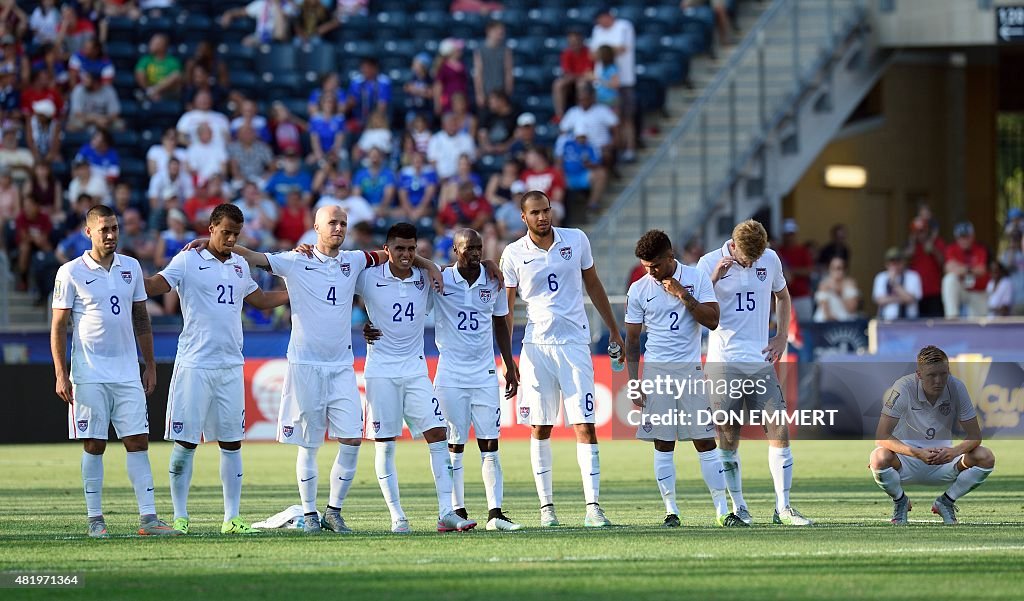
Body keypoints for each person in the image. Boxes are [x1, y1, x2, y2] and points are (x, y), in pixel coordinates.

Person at [210, 206, 390, 533]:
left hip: (341, 367)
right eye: (332, 223)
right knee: (309, 443)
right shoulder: (296, 260)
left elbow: (391, 254)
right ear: (316, 227)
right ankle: (309, 514)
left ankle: (333, 511)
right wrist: (210, 242)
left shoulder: (354, 260)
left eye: (343, 223)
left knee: (352, 438)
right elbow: (255, 257)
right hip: (305, 365)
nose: (338, 228)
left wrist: (426, 266)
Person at [142, 204, 289, 535]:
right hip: (195, 364)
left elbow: (262, 300)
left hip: (230, 365)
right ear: (211, 228)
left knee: (232, 442)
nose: (231, 239)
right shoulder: (188, 259)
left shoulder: (239, 265)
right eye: (225, 232)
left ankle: (231, 518)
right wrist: (122, 276)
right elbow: (156, 285)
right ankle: (180, 517)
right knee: (186, 442)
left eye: (236, 234)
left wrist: (300, 291)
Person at [51, 204, 180, 538]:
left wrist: (149, 364)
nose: (110, 235)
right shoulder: (71, 272)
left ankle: (149, 520)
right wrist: (61, 373)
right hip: (89, 373)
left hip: (126, 372)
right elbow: (58, 327)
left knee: (137, 441)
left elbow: (141, 318)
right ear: (89, 232)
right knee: (94, 443)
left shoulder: (131, 267)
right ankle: (96, 520)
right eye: (103, 229)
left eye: (114, 228)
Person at [500, 190, 625, 527]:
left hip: (574, 345)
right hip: (536, 348)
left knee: (585, 425)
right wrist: (508, 358)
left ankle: (593, 507)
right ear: (523, 218)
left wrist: (614, 330)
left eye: (546, 210)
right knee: (540, 427)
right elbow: (507, 310)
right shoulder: (512, 254)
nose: (543, 217)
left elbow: (594, 285)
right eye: (535, 213)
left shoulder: (576, 240)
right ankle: (547, 509)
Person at [355, 222, 473, 534]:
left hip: (415, 370)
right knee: (385, 444)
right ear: (387, 250)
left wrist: (431, 264)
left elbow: (462, 268)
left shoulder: (425, 277)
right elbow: (336, 298)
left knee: (438, 434)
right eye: (399, 249)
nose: (406, 255)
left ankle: (446, 511)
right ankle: (397, 517)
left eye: (411, 249)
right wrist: (359, 326)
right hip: (380, 371)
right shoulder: (368, 277)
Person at [625, 230, 747, 528]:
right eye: (645, 266)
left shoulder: (697, 278)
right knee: (663, 444)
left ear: (670, 257)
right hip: (656, 373)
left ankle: (722, 511)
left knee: (705, 441)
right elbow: (631, 339)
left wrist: (683, 294)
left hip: (690, 372)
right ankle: (671, 511)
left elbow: (713, 320)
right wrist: (633, 380)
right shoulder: (639, 289)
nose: (649, 271)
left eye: (654, 265)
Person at [696, 219, 812, 526]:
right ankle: (739, 506)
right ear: (733, 247)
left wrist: (781, 336)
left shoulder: (769, 258)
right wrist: (712, 279)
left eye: (758, 257)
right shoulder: (708, 262)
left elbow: (783, 297)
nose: (753, 263)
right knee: (728, 436)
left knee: (779, 430)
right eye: (749, 258)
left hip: (761, 361)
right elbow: (692, 309)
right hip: (723, 362)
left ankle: (783, 508)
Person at [426, 229, 521, 530]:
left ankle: (495, 513)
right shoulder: (441, 279)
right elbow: (408, 265)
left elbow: (500, 324)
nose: (476, 253)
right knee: (454, 443)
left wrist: (509, 363)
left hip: (484, 373)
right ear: (455, 250)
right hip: (450, 374)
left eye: (479, 247)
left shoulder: (492, 280)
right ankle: (458, 511)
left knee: (490, 443)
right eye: (469, 248)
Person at [869, 345, 995, 525]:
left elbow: (975, 435)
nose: (938, 380)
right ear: (919, 374)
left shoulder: (957, 388)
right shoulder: (903, 387)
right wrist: (917, 453)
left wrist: (954, 451)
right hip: (907, 461)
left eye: (943, 374)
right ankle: (900, 501)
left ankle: (946, 501)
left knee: (985, 456)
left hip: (945, 460)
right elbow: (881, 436)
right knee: (878, 457)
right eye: (931, 375)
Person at [589, 7, 636, 162]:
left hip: (624, 82)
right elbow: (592, 53)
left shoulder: (623, 26)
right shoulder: (597, 30)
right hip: (603, 90)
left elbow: (621, 48)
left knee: (625, 119)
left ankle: (628, 149)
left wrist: (604, 51)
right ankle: (614, 152)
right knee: (607, 123)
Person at [942, 221, 989, 318]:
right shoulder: (952, 248)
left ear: (972, 236)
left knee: (980, 326)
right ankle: (952, 317)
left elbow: (981, 270)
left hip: (978, 291)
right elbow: (949, 268)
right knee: (949, 279)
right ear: (957, 238)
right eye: (961, 237)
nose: (964, 240)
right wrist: (971, 269)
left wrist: (962, 269)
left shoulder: (980, 249)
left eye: (967, 236)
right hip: (962, 288)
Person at [905, 216, 946, 318]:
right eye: (917, 231)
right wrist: (911, 248)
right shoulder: (910, 246)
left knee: (936, 326)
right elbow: (901, 265)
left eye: (922, 231)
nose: (920, 234)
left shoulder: (937, 243)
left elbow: (944, 264)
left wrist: (933, 250)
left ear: (927, 230)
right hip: (916, 295)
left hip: (934, 293)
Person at [776, 219, 814, 321]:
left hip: (802, 296)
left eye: (791, 234)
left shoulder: (803, 251)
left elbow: (809, 270)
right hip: (784, 298)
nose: (789, 237)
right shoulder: (779, 252)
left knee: (805, 327)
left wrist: (791, 271)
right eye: (787, 234)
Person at [552, 29, 593, 122]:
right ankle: (559, 115)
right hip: (573, 79)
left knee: (581, 84)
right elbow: (567, 73)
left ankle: (581, 113)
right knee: (558, 84)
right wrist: (576, 76)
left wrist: (578, 76)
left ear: (581, 41)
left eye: (575, 41)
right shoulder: (566, 53)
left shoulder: (589, 52)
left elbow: (589, 73)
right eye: (571, 42)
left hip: (586, 81)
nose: (573, 44)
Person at [873, 246, 922, 320]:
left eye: (898, 261)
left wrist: (894, 284)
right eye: (892, 262)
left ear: (904, 262)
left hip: (909, 322)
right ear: (886, 264)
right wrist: (902, 298)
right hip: (885, 320)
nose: (895, 265)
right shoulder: (881, 277)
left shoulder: (913, 276)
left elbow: (911, 299)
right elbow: (880, 300)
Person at [473, 20, 513, 103]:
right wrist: (479, 94)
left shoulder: (506, 50)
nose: (500, 35)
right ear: (489, 31)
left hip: (501, 92)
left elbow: (508, 71)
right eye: (498, 32)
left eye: (502, 32)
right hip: (486, 92)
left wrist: (508, 90)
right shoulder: (480, 51)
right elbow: (478, 73)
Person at [134, 33, 182, 101]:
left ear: (163, 45)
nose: (151, 44)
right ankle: (150, 92)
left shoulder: (172, 61)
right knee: (140, 72)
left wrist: (156, 90)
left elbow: (177, 78)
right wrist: (148, 89)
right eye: (151, 42)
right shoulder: (145, 59)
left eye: (155, 43)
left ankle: (151, 92)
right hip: (148, 89)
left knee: (176, 75)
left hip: (167, 93)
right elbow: (139, 73)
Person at [813, 257, 860, 322]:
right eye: (833, 268)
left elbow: (851, 309)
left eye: (839, 268)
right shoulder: (824, 284)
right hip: (826, 322)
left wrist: (839, 292)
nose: (836, 271)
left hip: (846, 322)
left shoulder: (850, 284)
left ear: (845, 270)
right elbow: (825, 311)